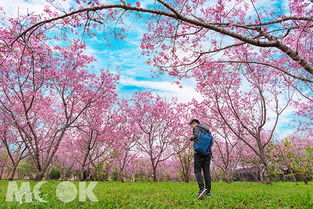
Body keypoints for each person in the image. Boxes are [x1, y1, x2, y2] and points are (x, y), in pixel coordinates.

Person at [189, 119, 212, 200]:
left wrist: (191, 138)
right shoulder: (207, 130)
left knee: (197, 171)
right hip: (208, 153)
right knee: (207, 172)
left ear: (195, 123)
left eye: (191, 125)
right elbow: (211, 142)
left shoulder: (197, 128)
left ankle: (202, 189)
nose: (191, 126)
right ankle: (208, 192)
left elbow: (195, 136)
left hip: (199, 153)